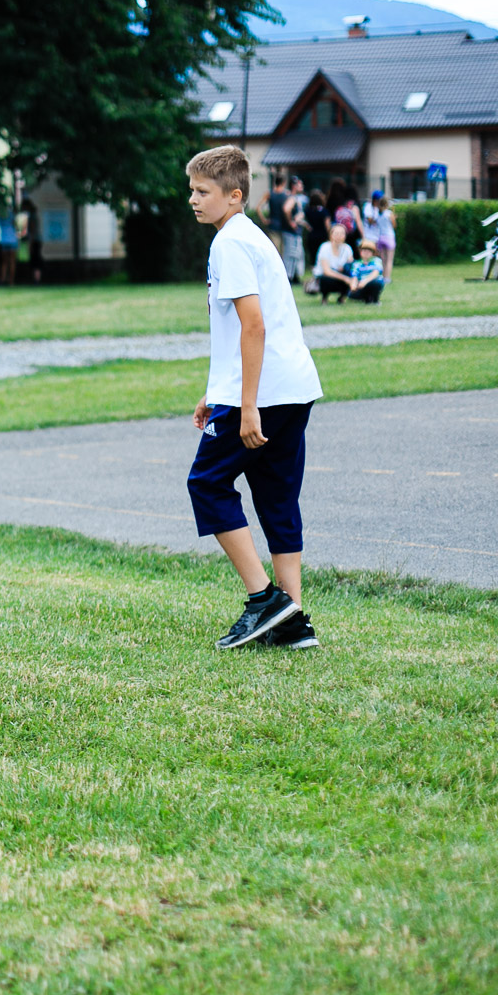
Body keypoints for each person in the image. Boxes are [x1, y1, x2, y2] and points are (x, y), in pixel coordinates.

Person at [184, 144, 324, 650]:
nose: (193, 200)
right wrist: (215, 392)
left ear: (234, 195)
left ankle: (264, 600)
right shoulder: (251, 236)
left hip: (262, 395)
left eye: (203, 191)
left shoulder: (230, 244)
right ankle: (293, 621)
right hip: (292, 388)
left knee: (206, 483)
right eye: (192, 190)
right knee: (276, 496)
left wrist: (244, 406)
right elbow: (238, 332)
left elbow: (254, 326)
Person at [313, 222, 355, 302]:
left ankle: (342, 297)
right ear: (331, 235)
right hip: (328, 276)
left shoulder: (347, 248)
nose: (339, 236)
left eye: (342, 234)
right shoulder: (325, 247)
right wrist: (345, 279)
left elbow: (351, 265)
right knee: (325, 279)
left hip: (341, 275)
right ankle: (324, 297)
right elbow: (326, 271)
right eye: (336, 233)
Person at [300, 191, 328, 294]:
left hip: (312, 236)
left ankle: (314, 277)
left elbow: (298, 219)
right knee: (321, 258)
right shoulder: (324, 211)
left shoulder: (308, 210)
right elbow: (327, 225)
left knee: (313, 259)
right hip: (322, 236)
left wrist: (307, 225)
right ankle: (319, 278)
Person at [281, 176, 307, 283]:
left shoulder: (294, 197)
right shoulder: (292, 198)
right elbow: (286, 209)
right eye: (299, 184)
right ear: (294, 186)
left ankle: (294, 276)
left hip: (293, 232)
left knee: (295, 254)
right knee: (291, 254)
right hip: (291, 233)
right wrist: (291, 222)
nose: (301, 186)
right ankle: (289, 277)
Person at [364, 190, 396, 278]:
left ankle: (381, 276)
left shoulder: (379, 214)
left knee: (382, 259)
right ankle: (387, 277)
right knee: (389, 260)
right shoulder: (388, 213)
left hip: (380, 237)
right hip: (386, 237)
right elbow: (394, 225)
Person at [21, 195, 43, 283]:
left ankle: (36, 279)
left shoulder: (32, 217)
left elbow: (32, 232)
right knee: (36, 259)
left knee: (35, 260)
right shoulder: (33, 216)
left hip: (34, 241)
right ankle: (36, 278)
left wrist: (30, 244)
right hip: (36, 240)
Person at [0, 203, 19, 284]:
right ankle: (11, 281)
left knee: (4, 262)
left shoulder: (1, 216)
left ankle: (3, 279)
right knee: (12, 261)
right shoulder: (12, 215)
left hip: (4, 240)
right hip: (13, 240)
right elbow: (17, 224)